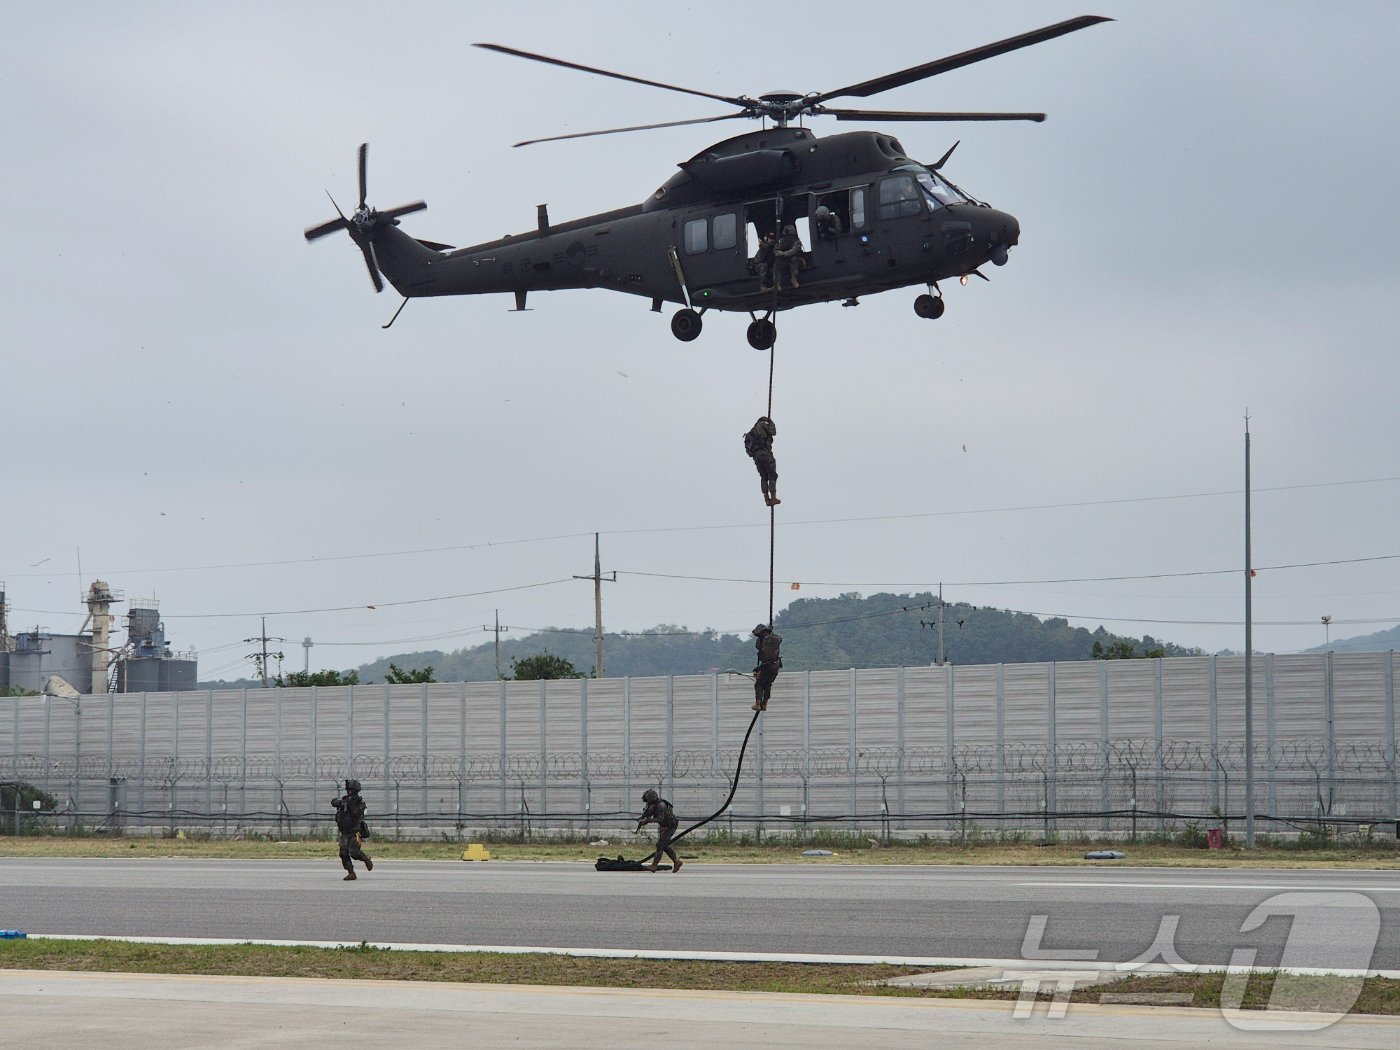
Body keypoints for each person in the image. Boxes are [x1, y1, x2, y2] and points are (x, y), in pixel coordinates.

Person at [331, 778, 373, 881]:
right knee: (343, 853)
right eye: (348, 790)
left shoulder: (359, 803)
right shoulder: (345, 800)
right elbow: (334, 802)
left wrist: (349, 804)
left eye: (351, 790)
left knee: (354, 853)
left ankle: (365, 858)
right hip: (345, 832)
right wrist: (338, 802)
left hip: (356, 832)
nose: (349, 792)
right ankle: (351, 873)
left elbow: (356, 814)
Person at [636, 787, 682, 872]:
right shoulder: (652, 806)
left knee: (660, 845)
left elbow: (660, 819)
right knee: (664, 845)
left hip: (670, 826)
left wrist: (648, 820)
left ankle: (654, 865)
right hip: (665, 825)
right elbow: (647, 814)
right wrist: (643, 818)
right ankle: (677, 861)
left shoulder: (661, 806)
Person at [743, 415, 779, 507]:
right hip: (765, 454)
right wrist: (771, 423)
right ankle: (773, 497)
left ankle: (766, 499)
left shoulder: (751, 433)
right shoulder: (762, 424)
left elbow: (749, 452)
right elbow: (773, 432)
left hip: (757, 458)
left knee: (764, 477)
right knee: (772, 475)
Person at [752, 623, 782, 712]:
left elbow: (759, 648)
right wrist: (771, 632)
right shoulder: (775, 638)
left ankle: (758, 704)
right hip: (775, 665)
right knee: (768, 684)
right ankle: (764, 703)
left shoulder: (764, 641)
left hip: (767, 666)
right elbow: (779, 639)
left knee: (759, 684)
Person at [773, 223, 805, 288]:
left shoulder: (797, 241)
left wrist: (783, 253)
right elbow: (776, 249)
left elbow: (794, 250)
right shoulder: (782, 241)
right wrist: (777, 251)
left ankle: (793, 278)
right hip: (786, 261)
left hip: (798, 260)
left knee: (794, 259)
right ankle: (777, 283)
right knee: (777, 264)